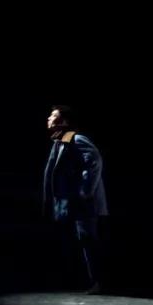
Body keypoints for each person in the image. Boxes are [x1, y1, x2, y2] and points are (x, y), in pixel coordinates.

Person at [42, 104, 109, 293]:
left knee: (88, 239)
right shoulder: (60, 141)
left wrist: (85, 191)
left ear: (63, 121)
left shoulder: (76, 139)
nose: (48, 118)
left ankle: (97, 281)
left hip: (83, 203)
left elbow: (94, 160)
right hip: (71, 203)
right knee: (79, 240)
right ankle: (87, 280)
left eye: (53, 115)